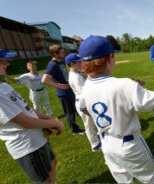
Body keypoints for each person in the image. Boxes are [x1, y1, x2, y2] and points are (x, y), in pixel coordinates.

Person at [78, 35, 154, 183]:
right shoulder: (124, 85)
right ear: (110, 57)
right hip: (129, 144)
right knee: (152, 180)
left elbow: (85, 110)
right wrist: (134, 90)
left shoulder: (85, 87)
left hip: (106, 144)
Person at [0, 49, 64, 183]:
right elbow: (24, 121)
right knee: (44, 180)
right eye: (1, 61)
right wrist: (55, 124)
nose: (6, 63)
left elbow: (26, 108)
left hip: (37, 136)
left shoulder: (4, 86)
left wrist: (48, 118)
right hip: (27, 144)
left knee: (53, 162)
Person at [42, 45, 84, 135]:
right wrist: (59, 86)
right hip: (63, 93)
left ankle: (83, 125)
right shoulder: (52, 64)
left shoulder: (61, 61)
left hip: (69, 90)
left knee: (76, 109)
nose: (64, 53)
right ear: (55, 54)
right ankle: (75, 130)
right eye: (62, 52)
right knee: (70, 113)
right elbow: (44, 80)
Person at [65, 53, 102, 152]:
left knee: (92, 122)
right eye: (79, 62)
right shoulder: (75, 77)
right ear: (72, 64)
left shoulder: (76, 74)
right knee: (89, 124)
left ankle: (97, 137)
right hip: (83, 102)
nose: (82, 63)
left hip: (83, 100)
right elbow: (84, 91)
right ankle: (95, 144)